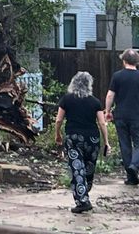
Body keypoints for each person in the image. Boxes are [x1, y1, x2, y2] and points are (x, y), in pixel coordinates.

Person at [54, 71, 110, 213]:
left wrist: (58, 134)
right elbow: (102, 123)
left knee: (77, 168)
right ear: (89, 84)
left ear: (74, 83)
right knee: (89, 167)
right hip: (92, 139)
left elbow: (59, 119)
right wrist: (106, 141)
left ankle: (82, 200)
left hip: (74, 138)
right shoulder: (95, 101)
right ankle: (84, 192)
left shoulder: (66, 99)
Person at [104, 48, 139, 185]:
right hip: (137, 116)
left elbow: (110, 95)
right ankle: (134, 165)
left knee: (124, 145)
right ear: (137, 62)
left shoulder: (117, 76)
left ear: (124, 61)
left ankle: (131, 177)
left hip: (121, 115)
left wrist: (107, 111)